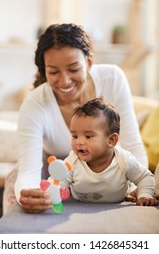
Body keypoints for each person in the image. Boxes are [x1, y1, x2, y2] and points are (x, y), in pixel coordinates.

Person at [11, 23, 148, 214]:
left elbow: (133, 145)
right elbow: (29, 169)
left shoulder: (113, 78)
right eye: (53, 72)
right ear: (44, 71)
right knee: (14, 182)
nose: (64, 80)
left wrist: (136, 188)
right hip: (56, 168)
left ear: (89, 62)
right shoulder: (35, 103)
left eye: (73, 69)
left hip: (106, 165)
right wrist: (27, 195)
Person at [60, 98, 158, 206]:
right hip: (79, 203)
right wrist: (52, 193)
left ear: (111, 141)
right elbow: (59, 180)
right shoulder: (73, 160)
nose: (79, 142)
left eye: (88, 136)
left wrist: (145, 195)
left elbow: (144, 177)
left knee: (134, 189)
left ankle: (131, 191)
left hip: (118, 200)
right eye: (75, 136)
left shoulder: (124, 160)